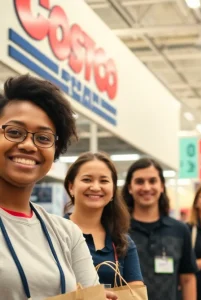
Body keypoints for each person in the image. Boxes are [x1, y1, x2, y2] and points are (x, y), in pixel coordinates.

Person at [0, 74, 116, 300]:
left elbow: (92, 297)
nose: (27, 145)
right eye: (14, 132)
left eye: (43, 138)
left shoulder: (66, 233)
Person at [63, 152, 143, 287]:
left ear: (112, 191)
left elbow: (136, 293)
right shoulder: (54, 234)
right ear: (71, 187)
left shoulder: (122, 242)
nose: (95, 187)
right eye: (87, 180)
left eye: (104, 181)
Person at [122, 158, 197, 300]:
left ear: (162, 186)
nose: (146, 187)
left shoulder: (180, 230)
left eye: (152, 181)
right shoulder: (119, 229)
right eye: (139, 182)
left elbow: (187, 278)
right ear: (130, 188)